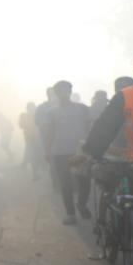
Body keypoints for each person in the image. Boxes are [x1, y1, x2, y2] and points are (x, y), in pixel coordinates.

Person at [42, 80, 91, 224]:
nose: (63, 93)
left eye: (66, 90)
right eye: (60, 91)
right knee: (65, 184)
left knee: (84, 182)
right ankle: (70, 214)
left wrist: (91, 147)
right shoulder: (51, 112)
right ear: (56, 93)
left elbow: (89, 129)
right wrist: (47, 151)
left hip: (79, 151)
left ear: (70, 91)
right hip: (60, 152)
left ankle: (81, 204)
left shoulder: (82, 108)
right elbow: (49, 133)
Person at [84, 59, 133, 170]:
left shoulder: (125, 96)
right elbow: (106, 125)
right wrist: (93, 150)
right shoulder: (126, 96)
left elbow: (106, 125)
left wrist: (93, 151)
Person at [35, 87, 60, 192]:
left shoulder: (62, 106)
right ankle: (56, 184)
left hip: (59, 139)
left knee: (58, 163)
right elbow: (40, 124)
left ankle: (59, 184)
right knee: (54, 163)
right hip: (50, 139)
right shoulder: (42, 108)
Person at [18, 102, 42, 180]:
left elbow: (21, 125)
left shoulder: (23, 115)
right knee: (37, 155)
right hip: (37, 138)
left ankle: (35, 172)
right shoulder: (38, 114)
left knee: (33, 155)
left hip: (29, 138)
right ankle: (36, 172)